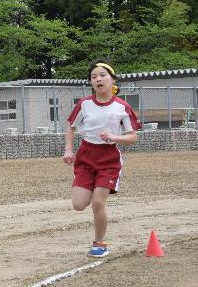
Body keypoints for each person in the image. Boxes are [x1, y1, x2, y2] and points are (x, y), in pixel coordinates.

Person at [63, 59, 141, 258]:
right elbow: (71, 126)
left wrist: (115, 137)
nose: (98, 79)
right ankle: (90, 188)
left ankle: (100, 244)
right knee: (79, 205)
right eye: (93, 77)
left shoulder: (122, 107)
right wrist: (69, 150)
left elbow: (133, 137)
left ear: (113, 80)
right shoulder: (84, 104)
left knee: (98, 202)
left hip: (109, 158)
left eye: (102, 75)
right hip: (86, 155)